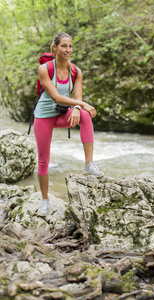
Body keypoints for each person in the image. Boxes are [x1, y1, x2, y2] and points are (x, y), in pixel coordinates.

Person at [34, 32, 104, 216]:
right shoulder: (44, 69)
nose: (68, 50)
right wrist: (80, 105)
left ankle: (89, 164)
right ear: (55, 48)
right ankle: (45, 199)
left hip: (63, 114)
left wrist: (78, 108)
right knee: (43, 160)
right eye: (64, 46)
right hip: (43, 117)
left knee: (85, 115)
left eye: (70, 46)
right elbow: (56, 96)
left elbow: (77, 98)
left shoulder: (76, 71)